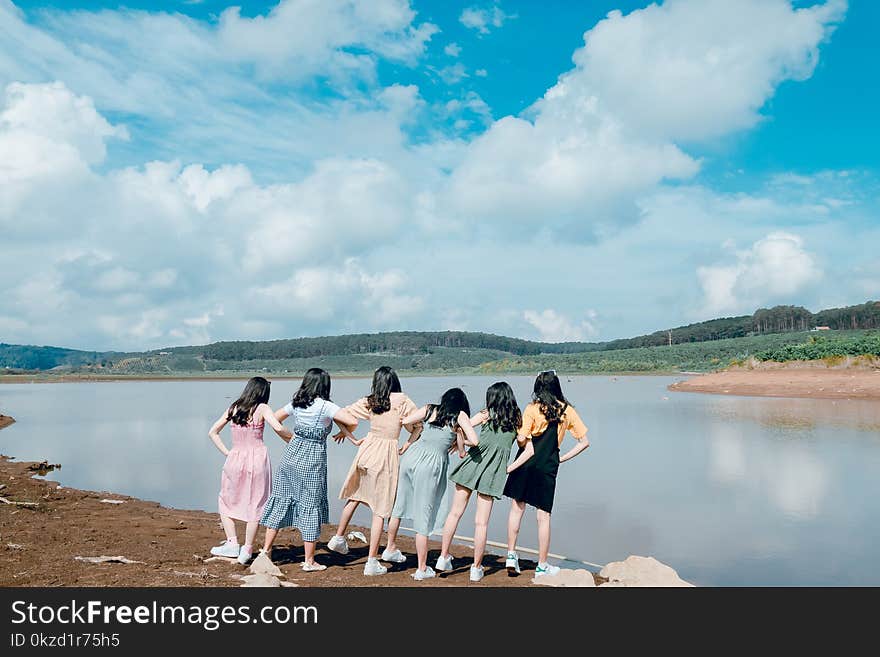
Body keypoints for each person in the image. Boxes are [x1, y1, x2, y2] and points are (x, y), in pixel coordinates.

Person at [259, 368, 359, 571]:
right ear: (325, 385)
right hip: (312, 459)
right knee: (310, 506)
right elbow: (353, 420)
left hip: (291, 454)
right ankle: (309, 561)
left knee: (281, 499)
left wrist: (289, 438)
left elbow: (275, 419)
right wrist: (344, 431)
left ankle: (266, 550)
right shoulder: (326, 406)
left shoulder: (297, 403)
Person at [327, 366, 423, 576]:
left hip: (367, 448)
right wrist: (406, 445)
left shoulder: (371, 400)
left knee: (355, 496)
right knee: (380, 509)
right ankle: (371, 562)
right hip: (386, 453)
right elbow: (418, 425)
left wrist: (350, 436)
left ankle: (339, 538)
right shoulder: (403, 400)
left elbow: (339, 414)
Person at [435, 381, 532, 582]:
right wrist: (508, 468)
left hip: (472, 464)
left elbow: (461, 425)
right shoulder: (517, 420)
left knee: (454, 513)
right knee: (481, 523)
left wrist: (460, 442)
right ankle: (476, 568)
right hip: (492, 474)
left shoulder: (486, 414)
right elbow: (528, 448)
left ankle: (443, 558)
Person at [503, 371, 590, 578]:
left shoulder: (532, 409)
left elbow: (522, 439)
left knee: (517, 509)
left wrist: (525, 441)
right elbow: (584, 442)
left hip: (525, 463)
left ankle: (511, 555)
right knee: (543, 517)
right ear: (557, 386)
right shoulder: (567, 411)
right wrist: (562, 458)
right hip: (548, 465)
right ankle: (542, 566)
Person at [386, 388, 479, 581]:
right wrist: (459, 437)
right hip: (431, 465)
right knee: (424, 514)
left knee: (399, 505)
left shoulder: (429, 409)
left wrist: (421, 429)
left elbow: (406, 421)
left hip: (411, 458)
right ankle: (421, 568)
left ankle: (389, 548)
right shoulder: (459, 416)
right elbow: (475, 441)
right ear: (462, 404)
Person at [207, 377, 292, 565]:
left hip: (235, 458)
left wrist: (228, 452)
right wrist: (294, 440)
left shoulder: (234, 407)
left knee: (226, 500)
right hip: (258, 460)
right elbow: (278, 427)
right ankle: (247, 549)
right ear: (262, 393)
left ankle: (231, 543)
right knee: (256, 503)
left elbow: (213, 432)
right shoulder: (262, 408)